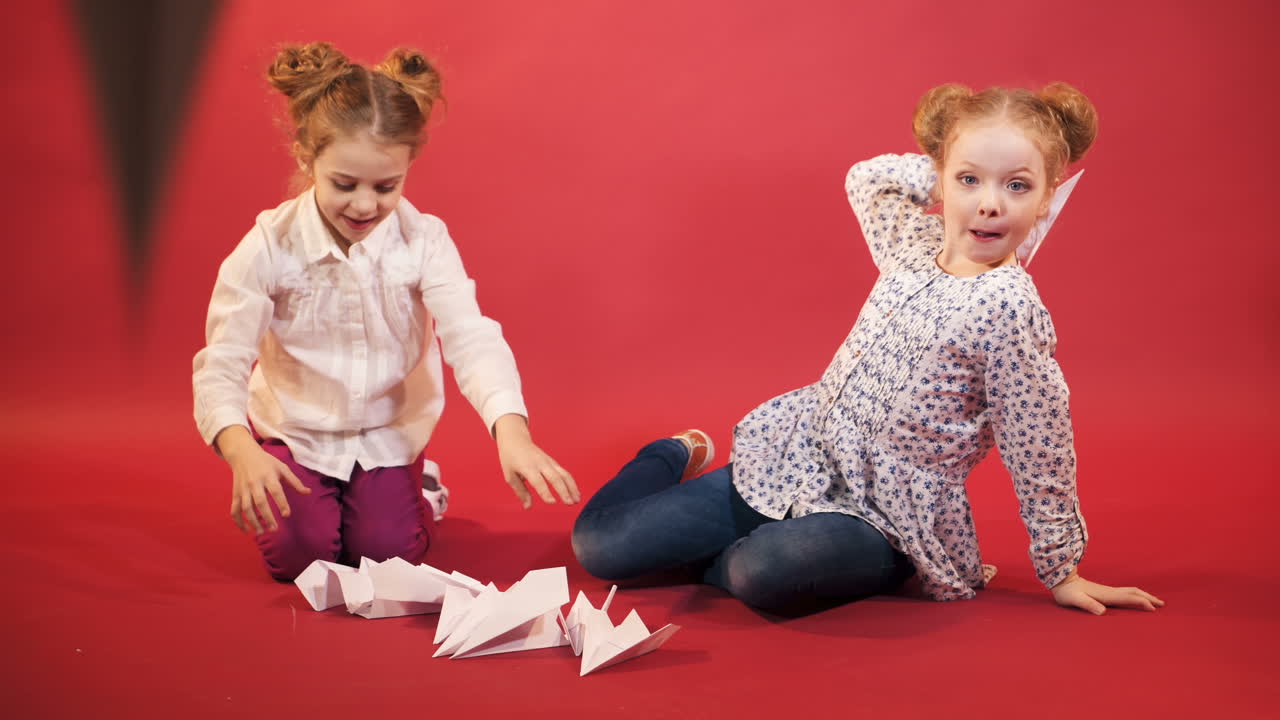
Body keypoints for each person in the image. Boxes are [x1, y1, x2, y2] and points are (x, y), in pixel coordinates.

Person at [572, 82, 1163, 616]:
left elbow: (1040, 438)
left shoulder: (1009, 309)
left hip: (887, 514)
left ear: (1046, 197)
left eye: (1016, 186)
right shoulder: (912, 241)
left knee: (762, 574)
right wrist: (937, 174)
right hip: (802, 457)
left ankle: (824, 559)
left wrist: (1062, 567)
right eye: (969, 179)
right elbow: (866, 179)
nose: (989, 203)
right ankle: (671, 453)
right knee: (600, 547)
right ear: (942, 178)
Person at [192, 42, 578, 582]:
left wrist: (510, 430)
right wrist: (239, 450)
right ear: (308, 158)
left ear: (408, 168)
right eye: (344, 185)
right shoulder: (268, 247)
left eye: (386, 186)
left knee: (388, 558)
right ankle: (324, 497)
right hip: (297, 430)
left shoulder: (424, 241)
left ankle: (419, 489)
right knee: (300, 561)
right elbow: (223, 360)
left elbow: (471, 337)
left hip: (384, 432)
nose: (366, 205)